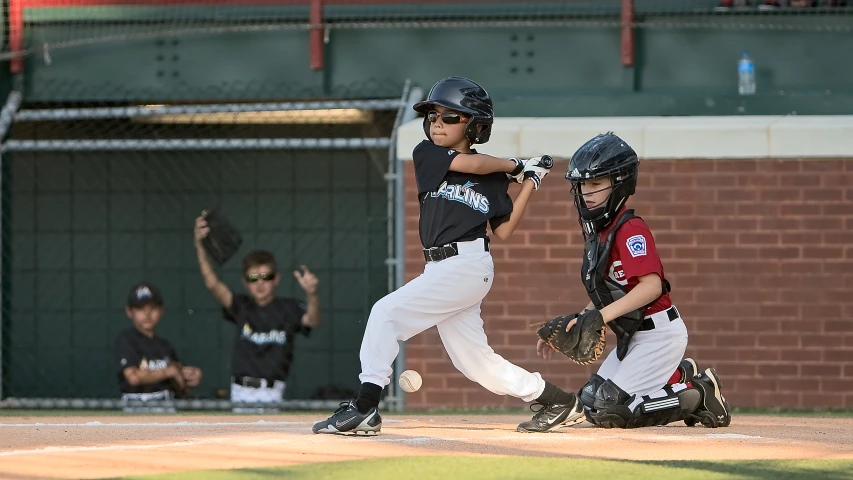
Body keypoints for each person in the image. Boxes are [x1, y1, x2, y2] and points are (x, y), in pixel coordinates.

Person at [312, 76, 584, 435]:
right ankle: (556, 399)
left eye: (450, 117)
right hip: (440, 269)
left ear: (474, 126)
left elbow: (503, 230)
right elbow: (471, 165)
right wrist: (516, 165)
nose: (437, 123)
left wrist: (530, 183)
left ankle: (365, 406)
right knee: (475, 364)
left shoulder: (493, 178)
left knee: (385, 314)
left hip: (468, 266)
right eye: (433, 116)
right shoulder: (429, 154)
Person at [537, 132, 731, 429]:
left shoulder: (629, 229)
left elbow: (651, 286)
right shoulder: (600, 231)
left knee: (610, 410)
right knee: (590, 401)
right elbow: (609, 291)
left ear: (619, 183)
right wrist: (582, 319)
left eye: (595, 183)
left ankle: (698, 392)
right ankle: (677, 375)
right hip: (634, 336)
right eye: (582, 185)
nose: (586, 192)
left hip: (659, 334)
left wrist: (599, 319)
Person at [194, 219, 320, 411]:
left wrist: (311, 294)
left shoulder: (289, 308)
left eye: (266, 277)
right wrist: (200, 246)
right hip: (240, 390)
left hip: (272, 392)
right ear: (245, 282)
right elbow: (212, 284)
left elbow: (313, 319)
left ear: (276, 279)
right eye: (253, 278)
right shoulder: (241, 306)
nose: (260, 284)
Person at [114, 282, 203, 411]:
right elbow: (133, 378)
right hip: (137, 404)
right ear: (129, 311)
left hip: (165, 402)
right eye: (140, 309)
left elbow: (177, 380)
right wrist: (168, 371)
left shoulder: (165, 346)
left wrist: (189, 376)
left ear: (161, 310)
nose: (147, 314)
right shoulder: (126, 340)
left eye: (152, 308)